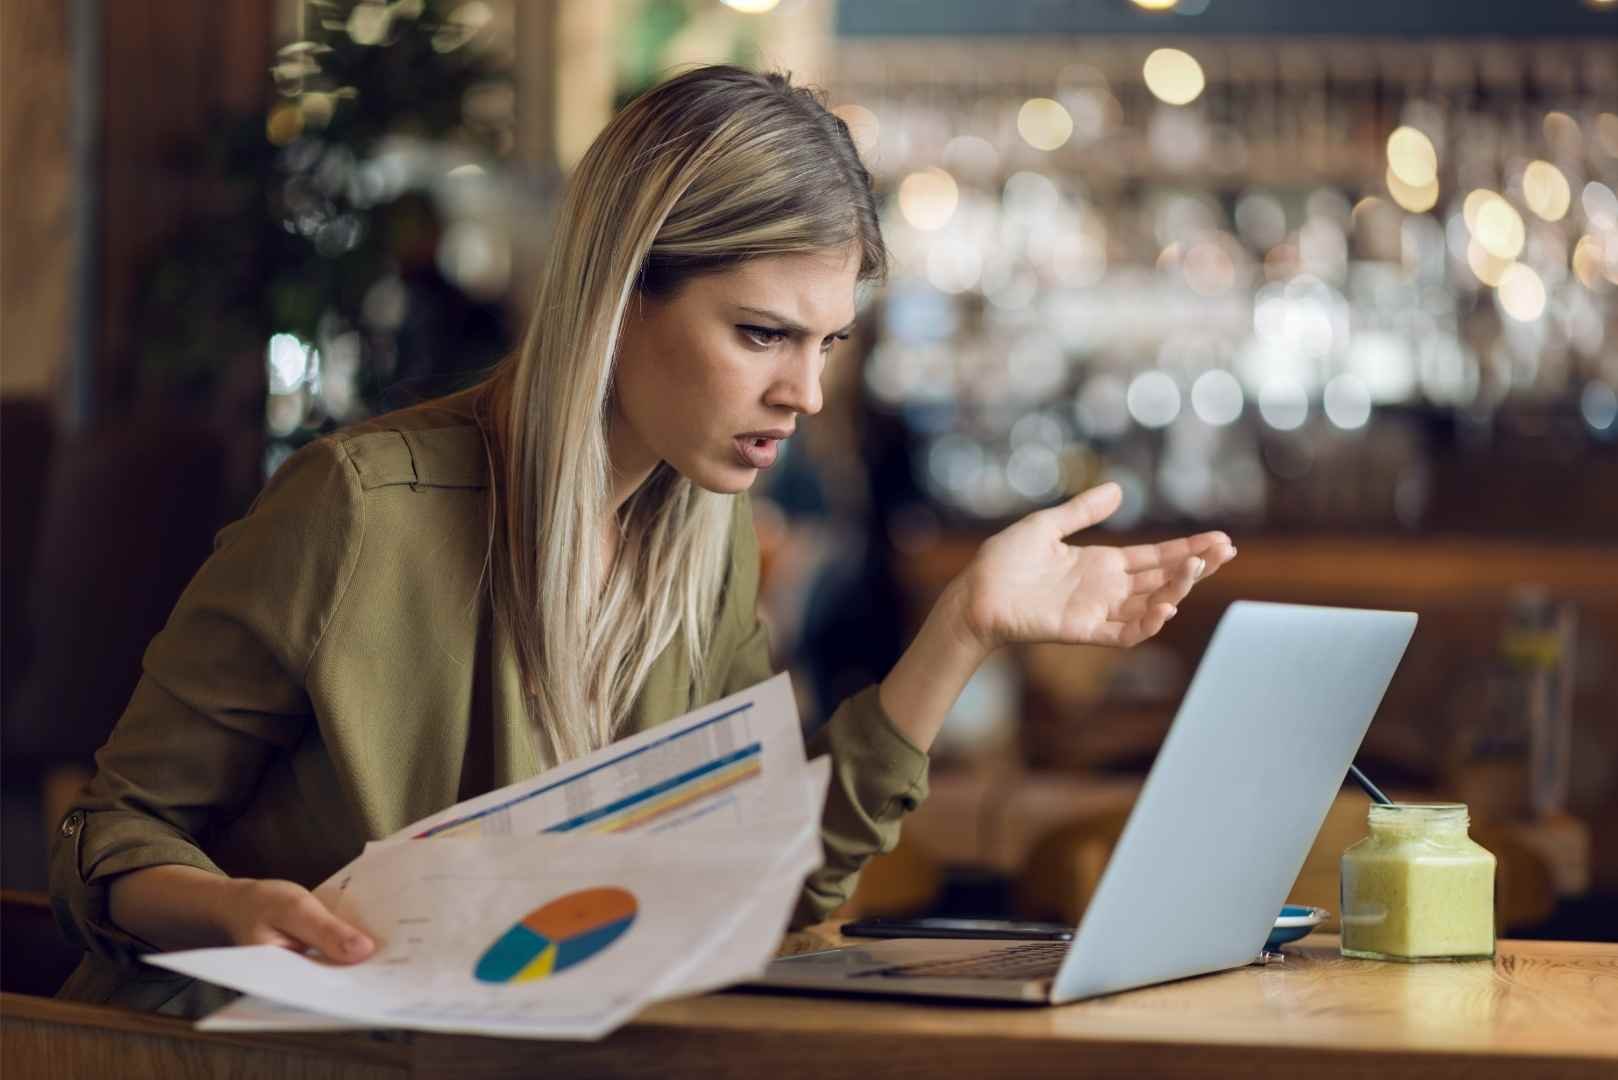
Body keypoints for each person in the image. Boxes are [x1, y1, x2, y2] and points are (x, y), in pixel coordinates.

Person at [49, 66, 1236, 1016]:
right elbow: (112, 832)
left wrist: (965, 627)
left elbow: (762, 884)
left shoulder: (699, 530)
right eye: (764, 334)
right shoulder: (361, 507)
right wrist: (236, 912)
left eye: (826, 345)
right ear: (619, 299)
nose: (806, 395)